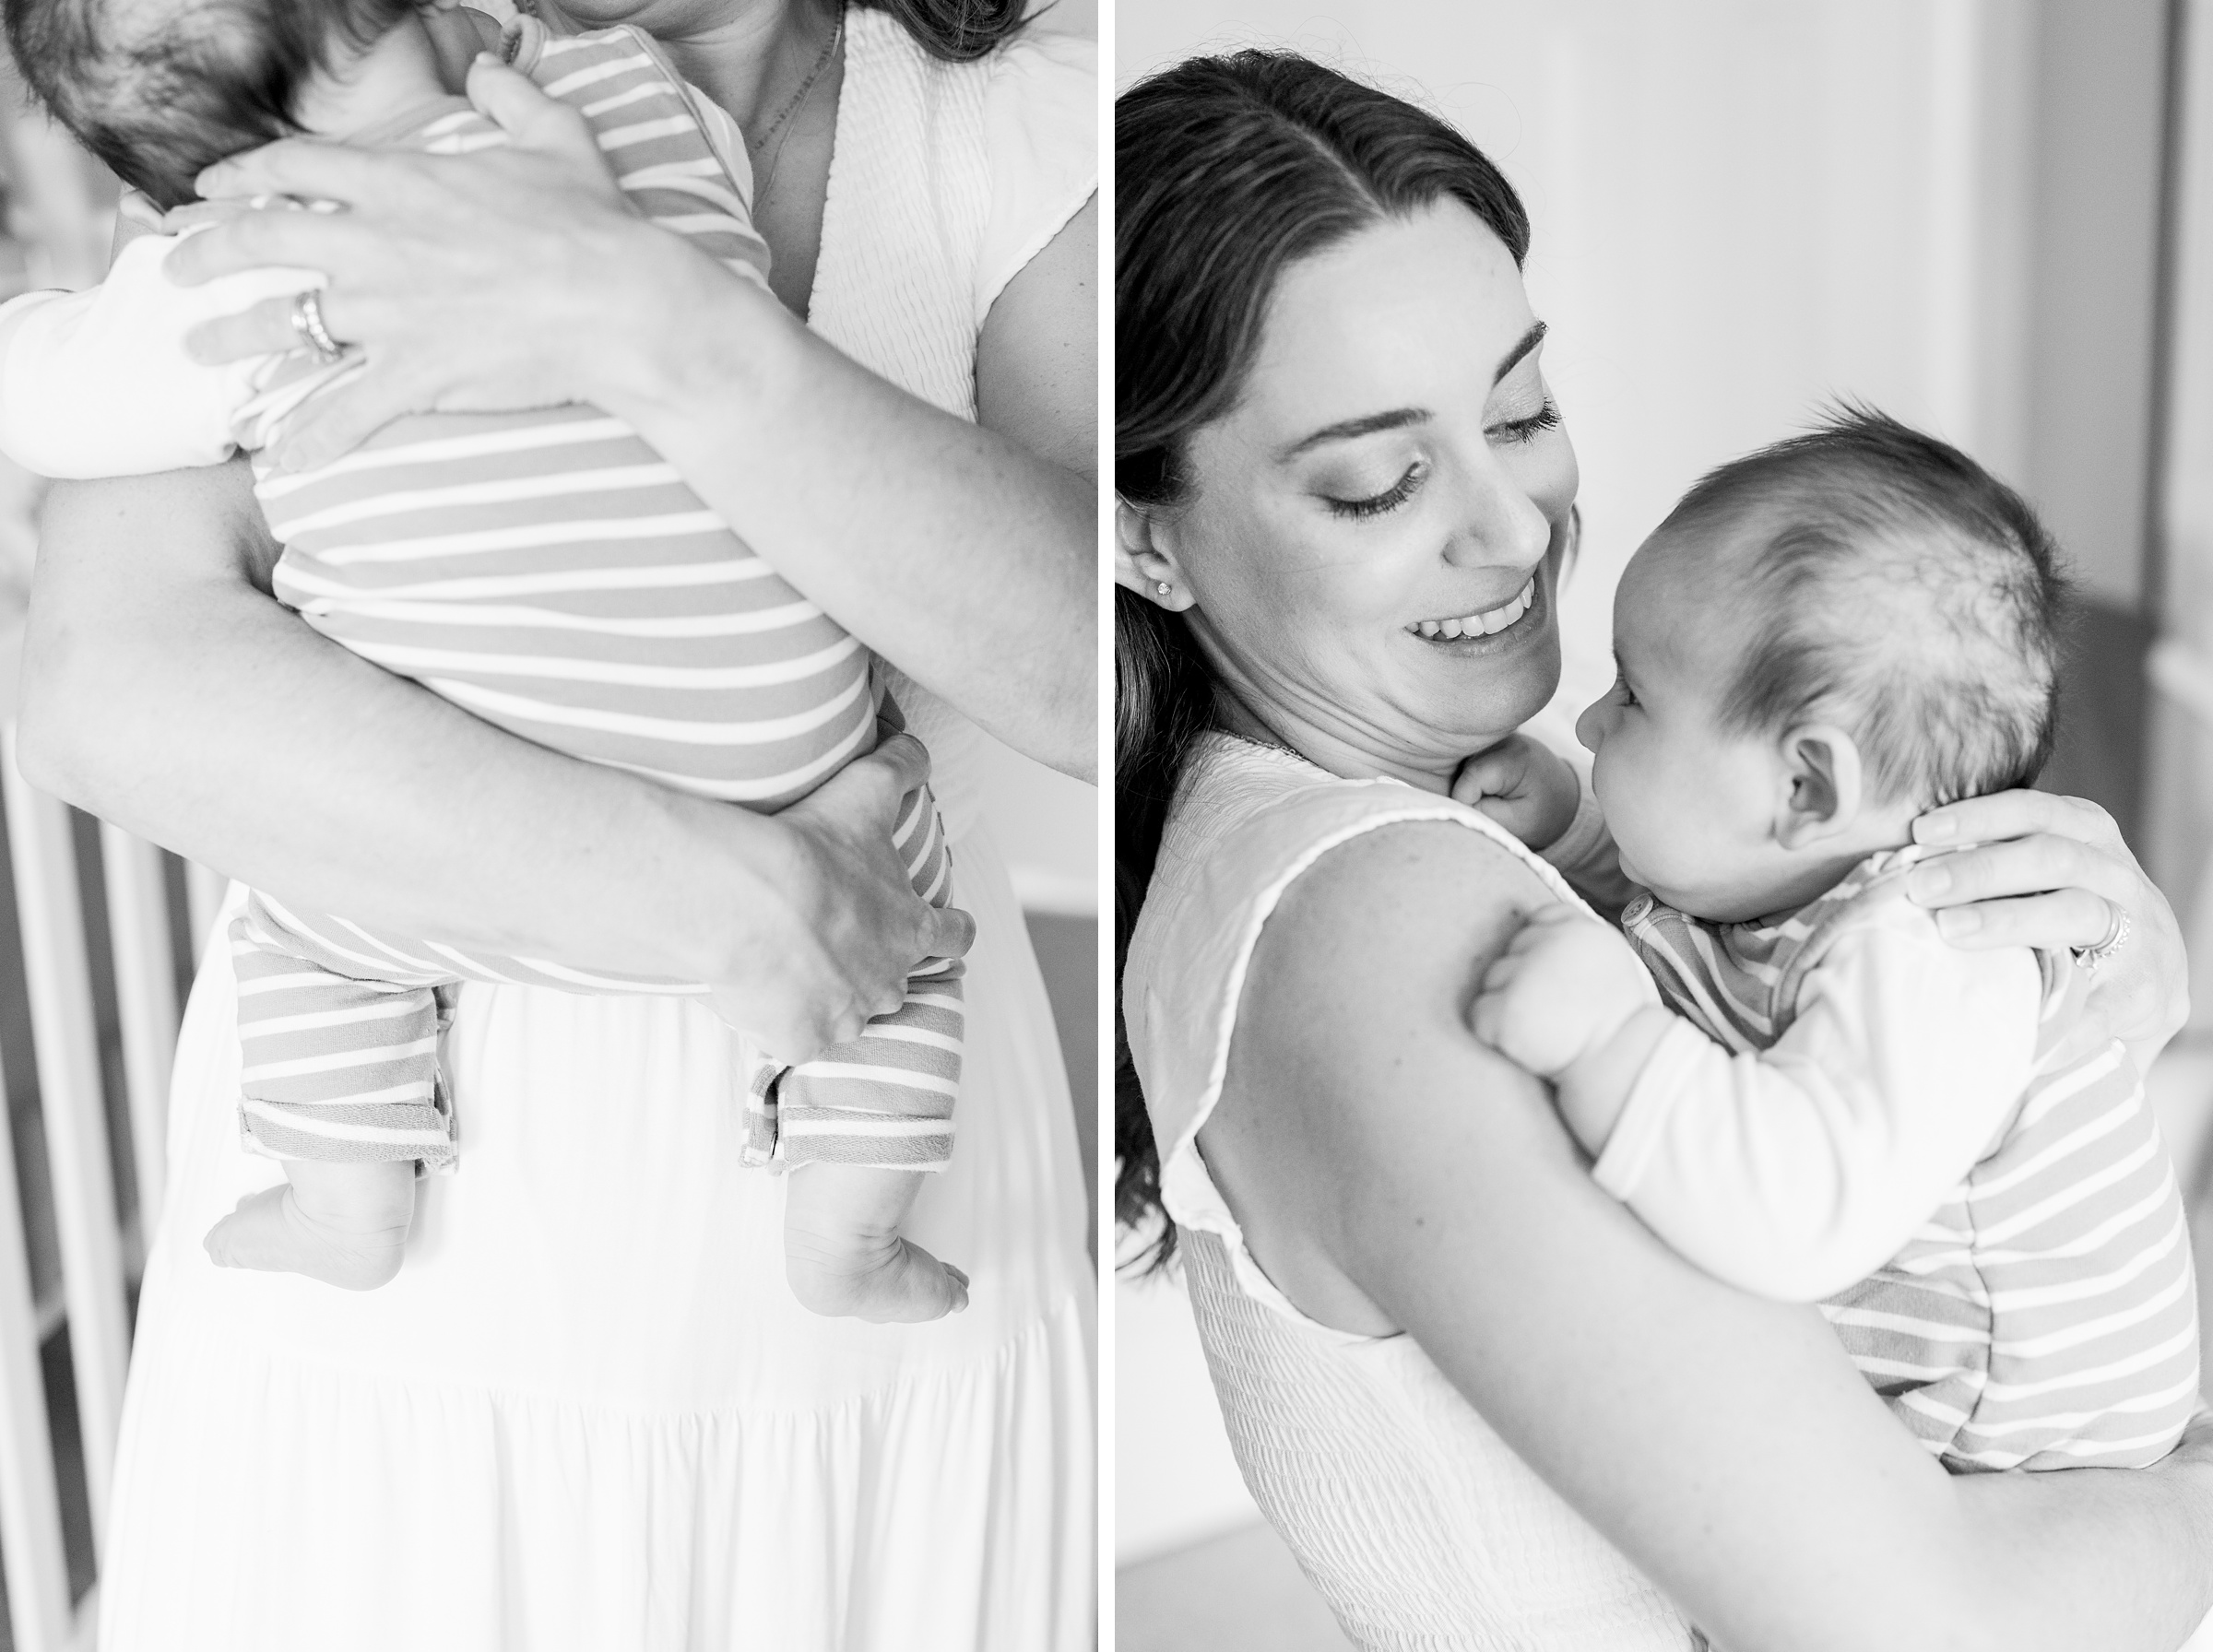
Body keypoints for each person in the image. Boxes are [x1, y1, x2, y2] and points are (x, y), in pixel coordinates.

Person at [19, 0, 1096, 1646]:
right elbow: (105, 681)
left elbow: (1098, 675)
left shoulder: (1011, 120)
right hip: (467, 1212)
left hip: (886, 1189)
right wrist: (730, 899)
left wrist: (657, 325)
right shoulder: (329, 112)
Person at [1117, 50, 2213, 1651]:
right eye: (1377, 481)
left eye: (1523, 410)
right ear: (1147, 531)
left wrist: (2103, 984)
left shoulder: (1398, 837)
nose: (1516, 529)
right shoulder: (1387, 919)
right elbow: (1933, 1615)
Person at [1467, 407, 2195, 1472]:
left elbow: (1800, 1212)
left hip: (2022, 1442)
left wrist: (1604, 1040)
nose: (1589, 722)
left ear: (1807, 785)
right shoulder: (1793, 876)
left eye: (1633, 696)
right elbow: (1700, 908)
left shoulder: (1932, 947)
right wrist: (1574, 823)